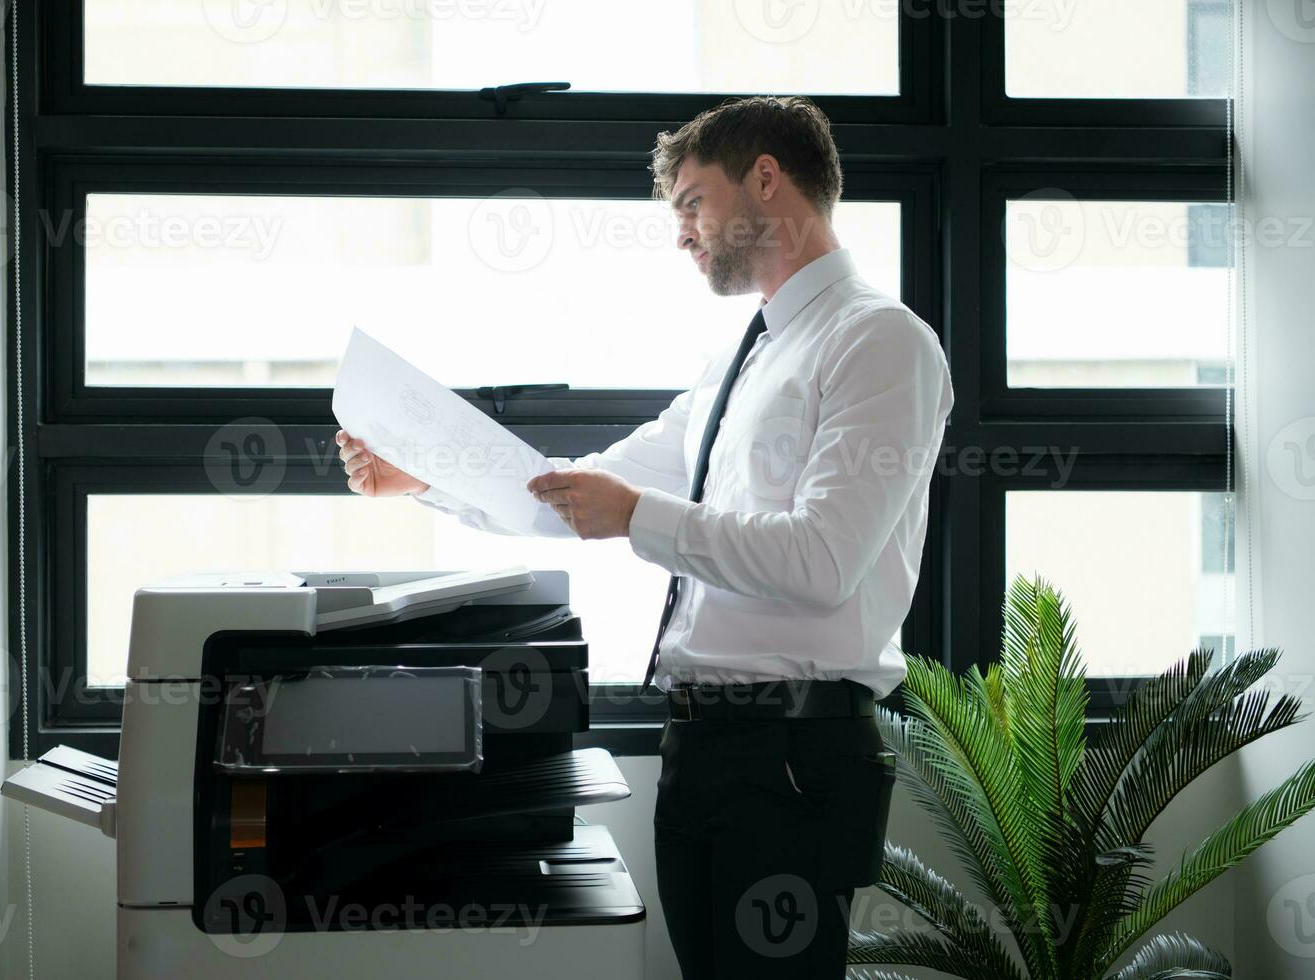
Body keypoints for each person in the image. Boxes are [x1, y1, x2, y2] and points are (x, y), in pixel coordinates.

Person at [335, 95, 953, 979]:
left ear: (767, 180)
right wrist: (421, 477)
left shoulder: (880, 341)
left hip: (792, 756)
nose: (682, 235)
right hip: (704, 747)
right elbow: (579, 489)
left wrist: (635, 516)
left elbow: (821, 561)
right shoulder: (741, 361)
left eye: (694, 204)